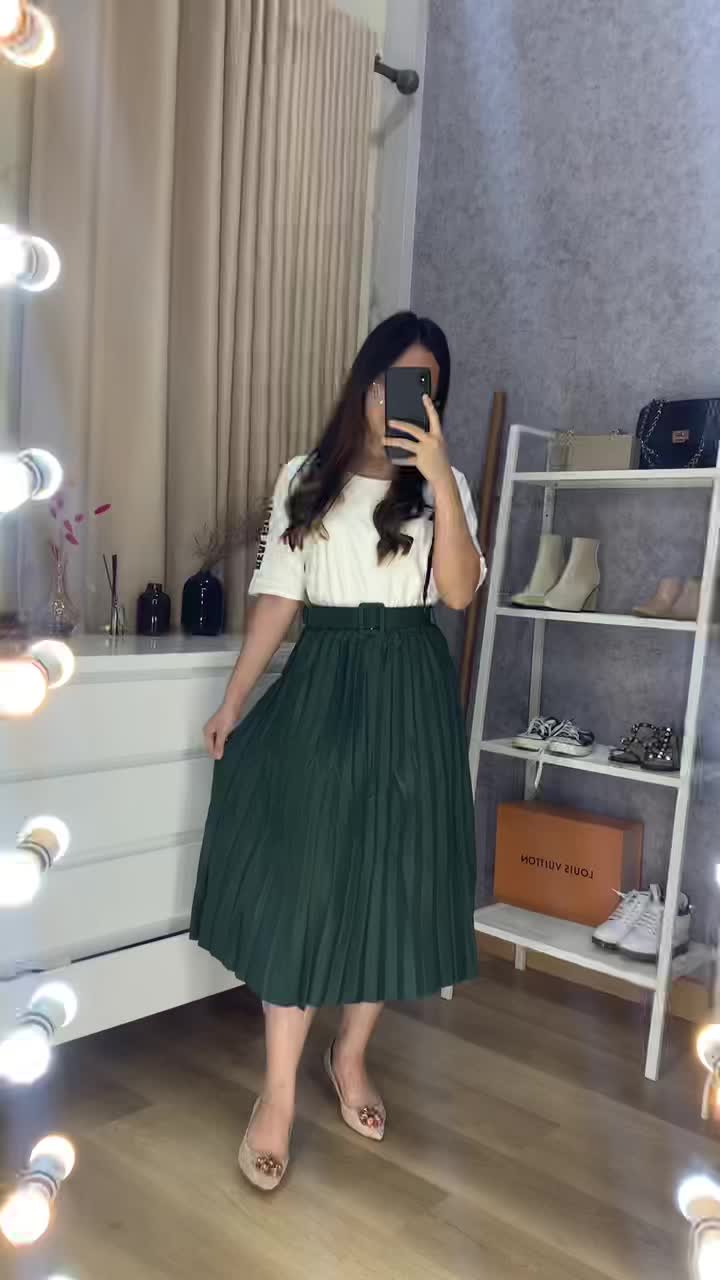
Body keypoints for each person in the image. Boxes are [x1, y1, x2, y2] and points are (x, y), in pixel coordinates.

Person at [190, 311, 486, 1190]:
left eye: (425, 387)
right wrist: (234, 698)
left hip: (411, 687)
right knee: (307, 883)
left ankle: (349, 1058)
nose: (403, 399)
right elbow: (279, 598)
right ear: (365, 381)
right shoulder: (305, 478)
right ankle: (277, 1094)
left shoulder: (442, 485)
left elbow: (459, 594)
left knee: (390, 879)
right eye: (393, 380)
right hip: (325, 683)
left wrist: (440, 479)